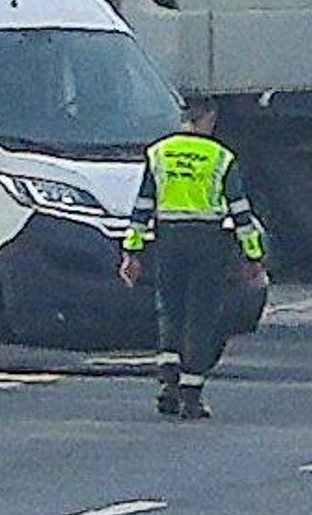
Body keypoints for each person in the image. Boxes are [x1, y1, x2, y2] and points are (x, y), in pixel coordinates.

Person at [121, 96, 265, 420]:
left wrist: (132, 252)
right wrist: (253, 256)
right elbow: (241, 212)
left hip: (168, 239)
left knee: (170, 311)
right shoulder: (220, 157)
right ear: (210, 118)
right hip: (208, 242)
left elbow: (143, 207)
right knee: (201, 316)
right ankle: (191, 396)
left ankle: (168, 384)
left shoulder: (159, 153)